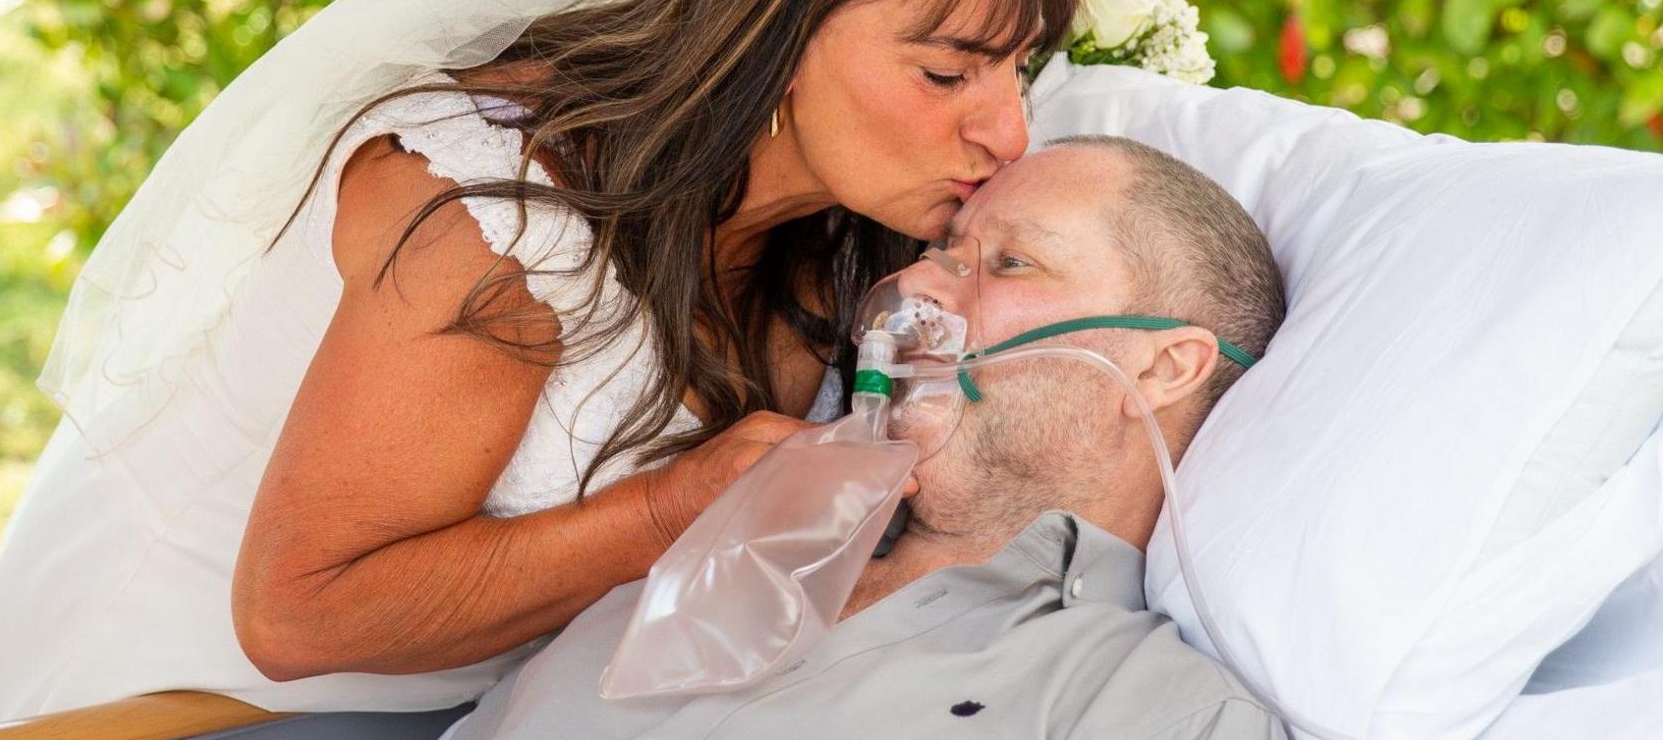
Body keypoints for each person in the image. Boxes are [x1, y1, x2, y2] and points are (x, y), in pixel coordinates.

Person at [0, 0, 1117, 729]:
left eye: (1019, 66)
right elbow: (296, 621)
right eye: (948, 70)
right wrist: (672, 508)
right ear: (774, 33)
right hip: (196, 707)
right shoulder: (494, 216)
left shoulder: (845, 236)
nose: (1006, 127)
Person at [441, 135, 1291, 740]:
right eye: (938, 251)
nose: (916, 283)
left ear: (1162, 369)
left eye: (1012, 264)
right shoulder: (738, 534)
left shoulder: (1151, 712)